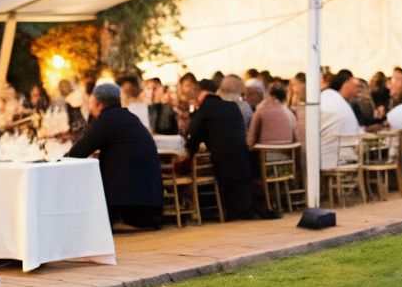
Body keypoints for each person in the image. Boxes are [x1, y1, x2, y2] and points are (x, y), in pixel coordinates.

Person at [67, 83, 164, 230]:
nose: (89, 106)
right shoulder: (129, 117)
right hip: (151, 203)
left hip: (132, 206)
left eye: (91, 102)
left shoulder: (107, 120)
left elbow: (77, 153)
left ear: (99, 104)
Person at [182, 78, 257, 219]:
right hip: (242, 157)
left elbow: (194, 133)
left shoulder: (206, 108)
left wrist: (188, 150)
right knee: (240, 190)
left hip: (223, 160)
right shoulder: (232, 106)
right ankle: (242, 211)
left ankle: (212, 212)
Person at [318, 73, 363, 169]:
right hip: (349, 155)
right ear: (345, 84)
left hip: (333, 159)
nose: (358, 92)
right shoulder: (335, 100)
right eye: (356, 87)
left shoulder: (327, 97)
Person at [247, 82, 300, 149]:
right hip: (288, 152)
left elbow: (250, 140)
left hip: (266, 154)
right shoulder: (289, 112)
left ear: (270, 96)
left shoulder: (261, 110)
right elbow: (297, 136)